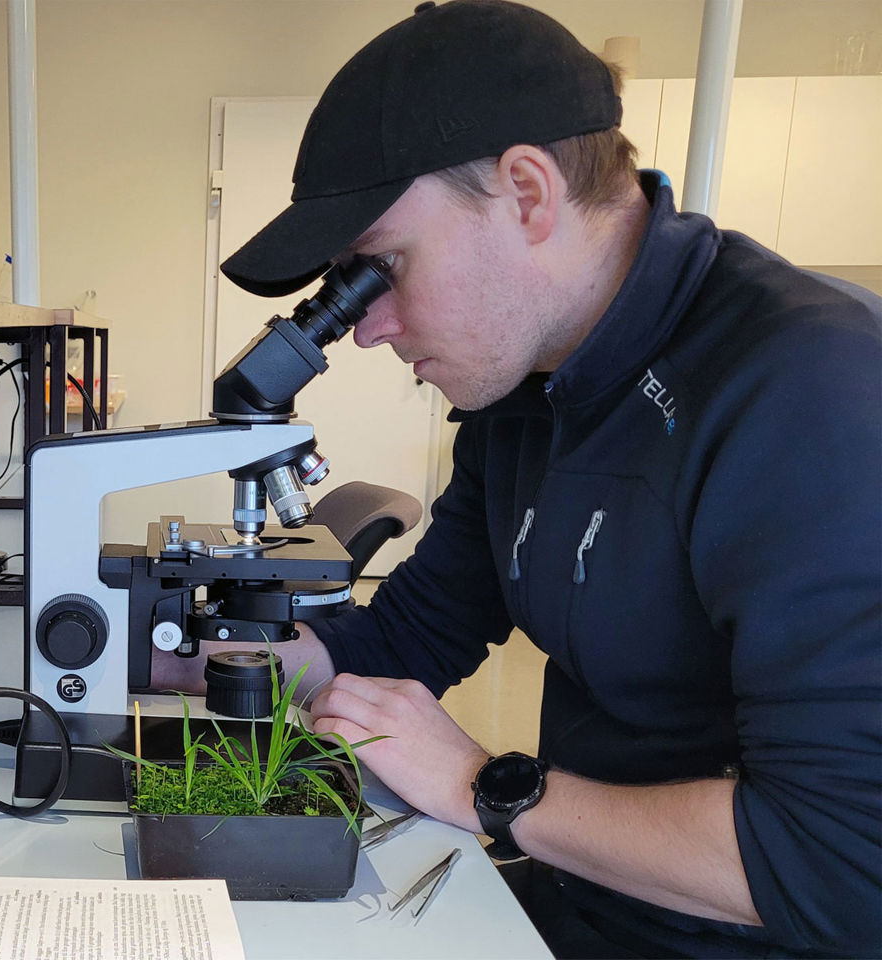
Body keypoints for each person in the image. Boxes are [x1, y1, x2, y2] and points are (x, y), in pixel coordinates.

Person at [216, 2, 882, 957]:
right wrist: (210, 664)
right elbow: (418, 629)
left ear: (527, 192)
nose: (365, 328)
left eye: (384, 269)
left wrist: (486, 785)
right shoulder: (526, 387)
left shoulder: (811, 388)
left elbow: (844, 861)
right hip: (579, 905)